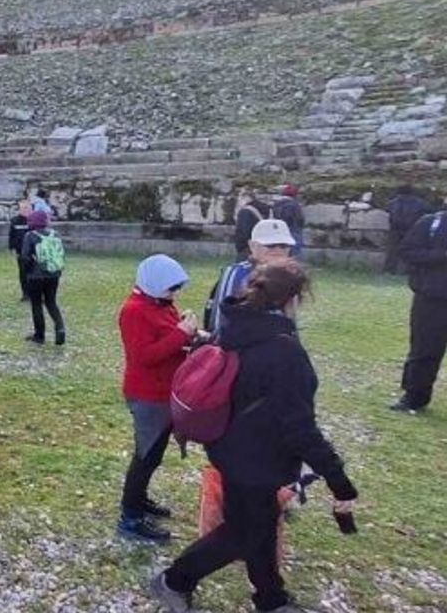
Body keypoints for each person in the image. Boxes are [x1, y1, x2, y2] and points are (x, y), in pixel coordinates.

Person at [151, 261, 359, 613]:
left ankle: (271, 599)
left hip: (228, 446)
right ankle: (174, 580)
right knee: (243, 532)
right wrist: (339, 481)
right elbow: (300, 428)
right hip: (257, 460)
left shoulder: (234, 325)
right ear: (293, 299)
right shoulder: (284, 351)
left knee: (258, 525)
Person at [117, 254, 203, 543]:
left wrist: (190, 335)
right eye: (171, 288)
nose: (175, 293)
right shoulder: (134, 311)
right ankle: (130, 517)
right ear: (154, 284)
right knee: (145, 456)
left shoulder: (160, 303)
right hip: (147, 395)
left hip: (164, 392)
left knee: (153, 455)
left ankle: (139, 501)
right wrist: (182, 334)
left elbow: (168, 338)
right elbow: (143, 357)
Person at [392, 201, 447, 413]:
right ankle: (414, 396)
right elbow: (407, 250)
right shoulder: (431, 222)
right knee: (424, 349)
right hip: (432, 298)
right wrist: (440, 256)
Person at [205, 219, 295, 337]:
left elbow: (290, 321)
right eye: (270, 245)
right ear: (252, 246)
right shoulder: (236, 273)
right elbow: (220, 321)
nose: (278, 250)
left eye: (283, 246)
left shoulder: (289, 276)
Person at [20, 210, 66, 345]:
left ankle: (39, 335)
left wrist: (27, 272)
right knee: (51, 302)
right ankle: (60, 328)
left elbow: (25, 257)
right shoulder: (54, 234)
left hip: (36, 275)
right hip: (53, 273)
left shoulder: (30, 236)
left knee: (36, 304)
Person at [386, 186, 431, 275]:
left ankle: (389, 270)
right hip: (412, 230)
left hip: (395, 230)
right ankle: (408, 270)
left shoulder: (393, 202)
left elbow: (390, 216)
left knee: (392, 251)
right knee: (411, 251)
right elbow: (425, 215)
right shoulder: (421, 203)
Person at [233, 194, 273, 261]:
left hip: (246, 247)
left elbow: (244, 231)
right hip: (263, 246)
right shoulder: (267, 210)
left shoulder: (245, 212)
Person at [8, 200, 33, 301]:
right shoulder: (15, 221)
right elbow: (12, 236)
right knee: (23, 273)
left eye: (27, 208)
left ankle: (36, 293)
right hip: (20, 251)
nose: (26, 210)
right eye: (23, 208)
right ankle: (25, 294)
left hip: (33, 251)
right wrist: (12, 248)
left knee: (34, 273)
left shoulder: (34, 220)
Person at [272, 184, 305, 259]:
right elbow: (299, 219)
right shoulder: (294, 204)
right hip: (293, 230)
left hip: (279, 231)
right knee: (295, 254)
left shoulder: (277, 204)